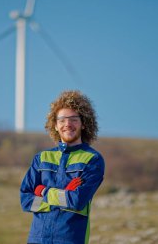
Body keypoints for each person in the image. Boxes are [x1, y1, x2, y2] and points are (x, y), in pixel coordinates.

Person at [20, 90, 105, 244]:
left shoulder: (93, 160)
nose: (67, 124)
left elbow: (78, 201)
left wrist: (44, 191)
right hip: (37, 239)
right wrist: (64, 197)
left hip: (70, 239)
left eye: (73, 119)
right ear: (56, 126)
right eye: (62, 120)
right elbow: (26, 201)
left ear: (84, 123)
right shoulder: (41, 159)